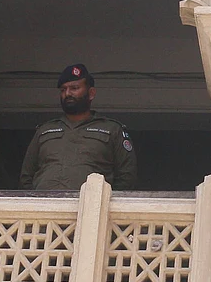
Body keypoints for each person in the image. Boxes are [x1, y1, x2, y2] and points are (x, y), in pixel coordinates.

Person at [20, 63, 137, 191]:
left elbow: (126, 177)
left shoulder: (112, 130)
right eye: (63, 90)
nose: (67, 94)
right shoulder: (44, 130)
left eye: (74, 88)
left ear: (91, 93)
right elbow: (26, 177)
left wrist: (103, 201)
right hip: (44, 201)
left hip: (91, 203)